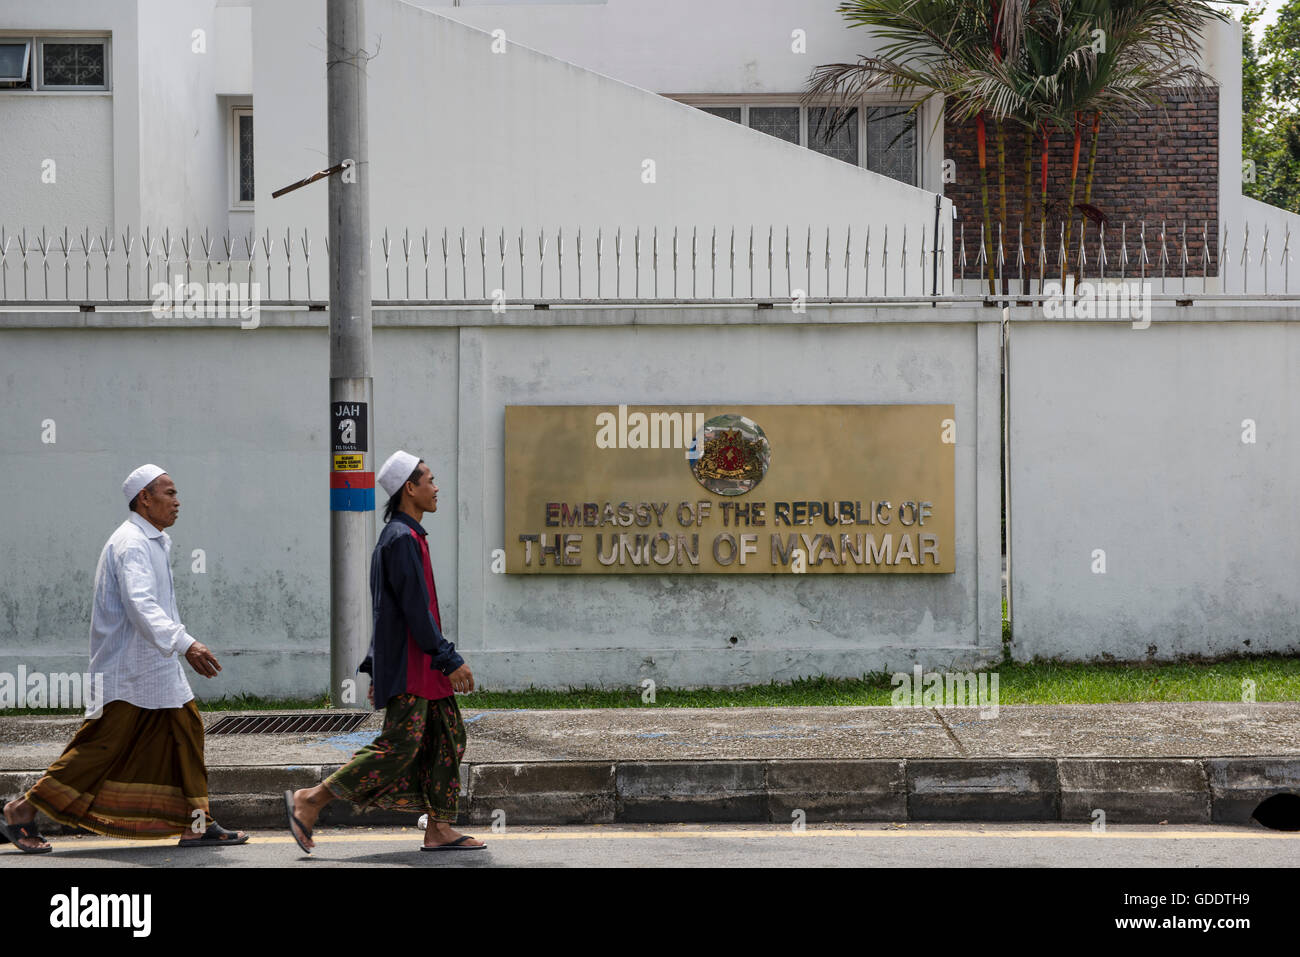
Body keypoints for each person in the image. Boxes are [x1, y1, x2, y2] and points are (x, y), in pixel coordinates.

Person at [0, 465, 247, 854]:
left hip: (154, 667)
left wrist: (176, 646)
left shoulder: (153, 541)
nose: (177, 501)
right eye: (169, 493)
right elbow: (141, 605)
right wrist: (186, 644)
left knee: (187, 732)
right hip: (126, 671)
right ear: (144, 498)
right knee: (100, 748)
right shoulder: (131, 542)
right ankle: (20, 810)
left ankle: (197, 824)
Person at [284, 450, 483, 853]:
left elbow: (385, 611)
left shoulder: (407, 537)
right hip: (416, 668)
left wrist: (376, 667)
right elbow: (413, 609)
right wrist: (448, 658)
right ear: (410, 488)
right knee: (399, 746)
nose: (436, 487)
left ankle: (439, 828)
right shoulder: (400, 539)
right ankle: (311, 799)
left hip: (421, 668)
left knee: (448, 738)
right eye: (430, 480)